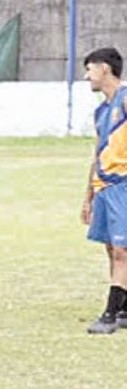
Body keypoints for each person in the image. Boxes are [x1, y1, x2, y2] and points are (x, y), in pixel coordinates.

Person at [82, 47, 127, 334]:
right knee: (112, 248)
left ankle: (109, 314)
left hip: (123, 184)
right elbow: (97, 153)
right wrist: (87, 196)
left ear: (105, 69)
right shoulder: (100, 111)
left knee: (122, 250)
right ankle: (124, 308)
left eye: (89, 70)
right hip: (104, 187)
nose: (87, 77)